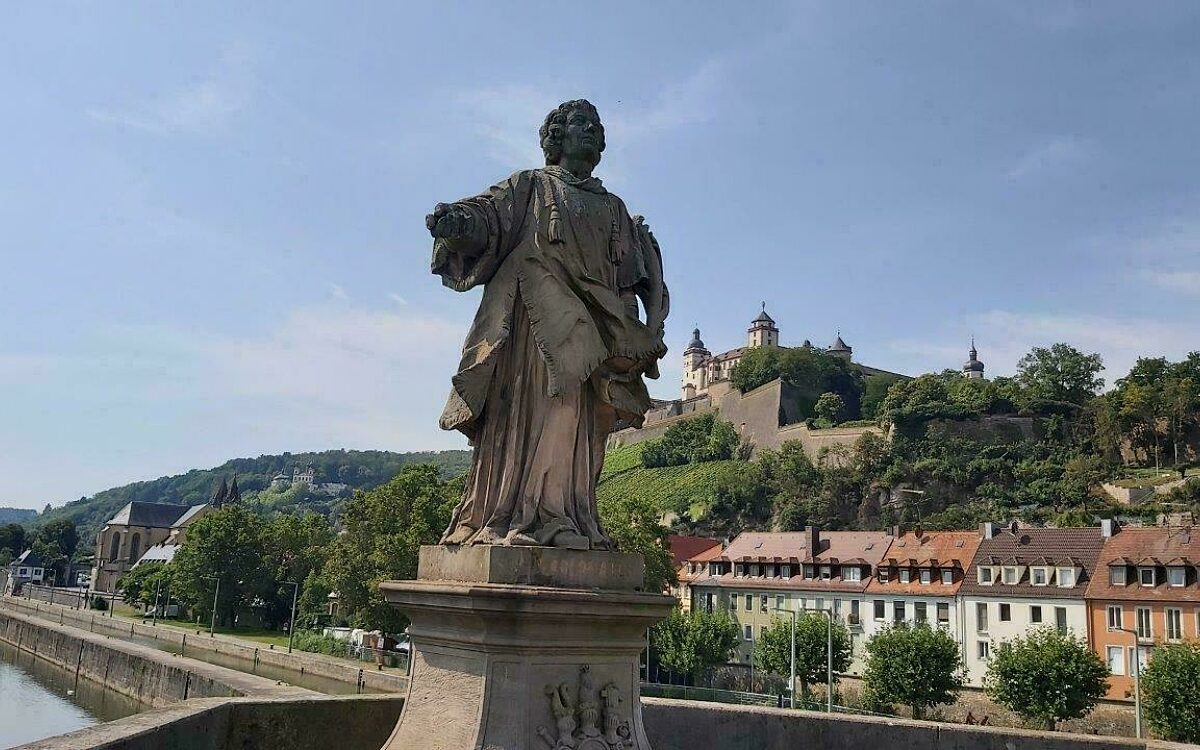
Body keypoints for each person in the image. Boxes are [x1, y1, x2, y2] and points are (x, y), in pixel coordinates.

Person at [426, 99, 668, 550]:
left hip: (592, 335)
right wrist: (457, 222)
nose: (594, 131)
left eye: (598, 125)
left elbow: (632, 282)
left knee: (578, 422)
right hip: (534, 328)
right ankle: (517, 515)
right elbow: (487, 218)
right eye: (582, 123)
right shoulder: (531, 185)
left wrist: (635, 334)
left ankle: (565, 517)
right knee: (536, 413)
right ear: (556, 137)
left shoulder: (614, 208)